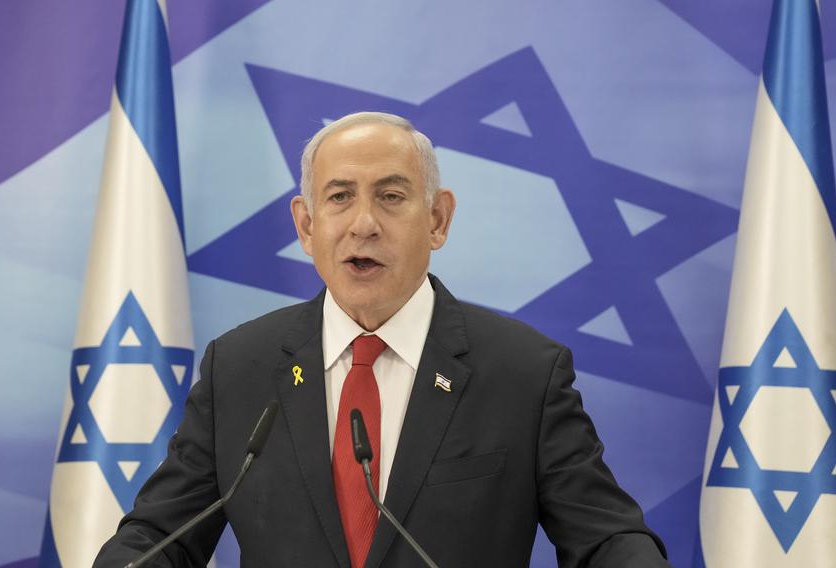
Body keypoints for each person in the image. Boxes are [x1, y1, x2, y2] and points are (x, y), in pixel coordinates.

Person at [95, 112, 670, 567]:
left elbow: (606, 541)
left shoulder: (523, 373)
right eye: (339, 196)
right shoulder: (240, 368)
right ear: (306, 225)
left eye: (391, 196)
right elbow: (161, 537)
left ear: (438, 220)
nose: (362, 223)